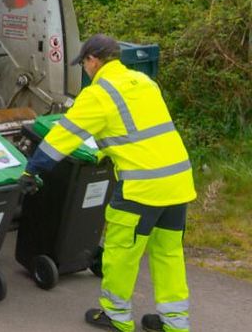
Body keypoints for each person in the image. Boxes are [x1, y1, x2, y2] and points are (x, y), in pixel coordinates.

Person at [20, 34, 195, 332]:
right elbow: (135, 130)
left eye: (84, 64)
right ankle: (174, 322)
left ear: (93, 60)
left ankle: (116, 315)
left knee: (121, 252)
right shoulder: (145, 83)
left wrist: (33, 169)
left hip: (142, 188)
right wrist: (105, 150)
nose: (85, 70)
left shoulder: (99, 93)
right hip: (178, 181)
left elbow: (65, 135)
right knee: (168, 253)